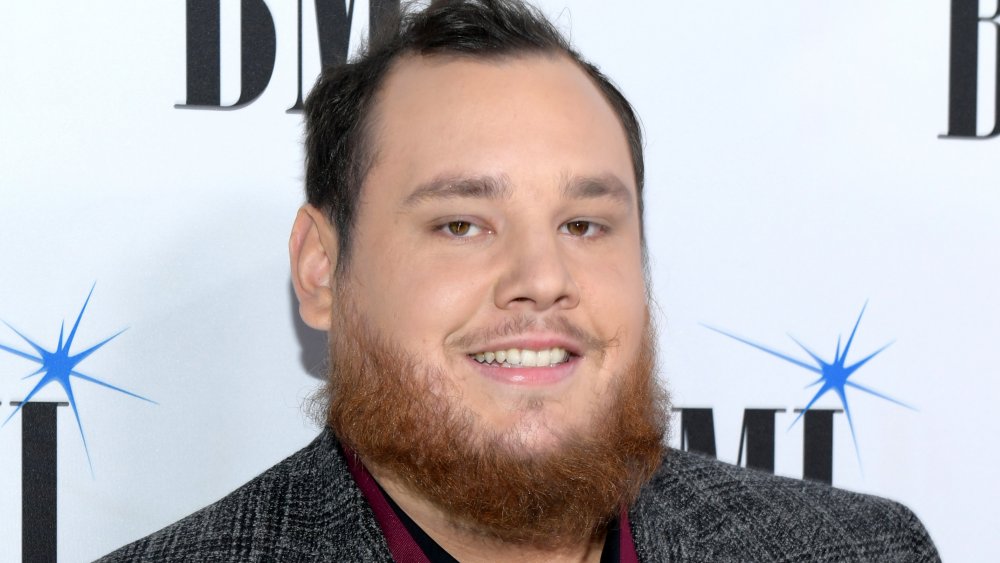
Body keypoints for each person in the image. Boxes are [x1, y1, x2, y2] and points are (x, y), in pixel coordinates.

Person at [100, 1, 939, 561]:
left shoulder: (859, 548)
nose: (543, 279)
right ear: (321, 268)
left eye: (584, 224)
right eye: (461, 223)